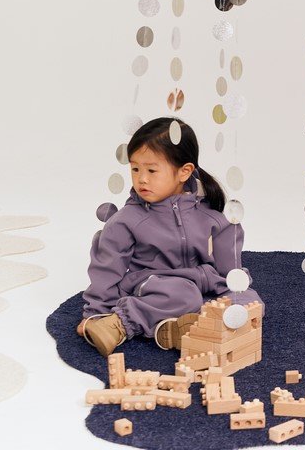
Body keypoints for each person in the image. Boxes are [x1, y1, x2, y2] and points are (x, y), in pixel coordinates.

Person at [77, 117, 261, 356]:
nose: (142, 179)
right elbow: (106, 267)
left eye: (151, 170)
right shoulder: (127, 219)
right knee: (184, 296)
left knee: (250, 302)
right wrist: (95, 314)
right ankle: (120, 322)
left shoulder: (211, 213)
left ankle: (179, 330)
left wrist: (233, 287)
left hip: (202, 285)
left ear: (184, 172)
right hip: (154, 287)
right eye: (135, 169)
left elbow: (230, 267)